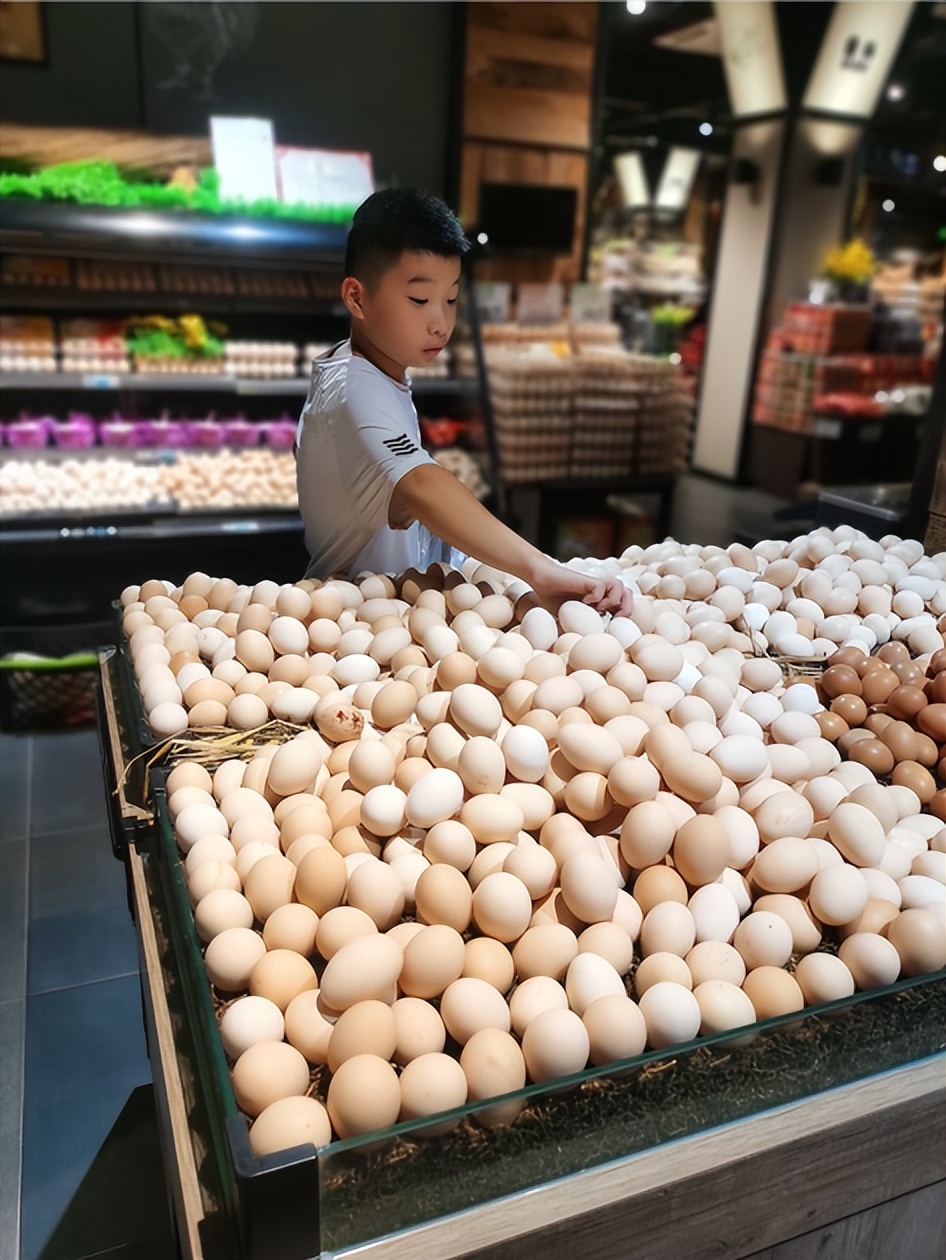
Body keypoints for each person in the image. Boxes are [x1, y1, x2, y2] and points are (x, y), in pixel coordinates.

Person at [295, 188, 632, 616]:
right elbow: (422, 482)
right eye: (419, 300)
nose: (441, 323)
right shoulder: (358, 386)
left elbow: (384, 477)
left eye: (451, 299)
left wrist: (395, 497)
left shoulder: (365, 367)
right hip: (353, 616)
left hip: (386, 606)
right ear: (356, 298)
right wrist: (539, 570)